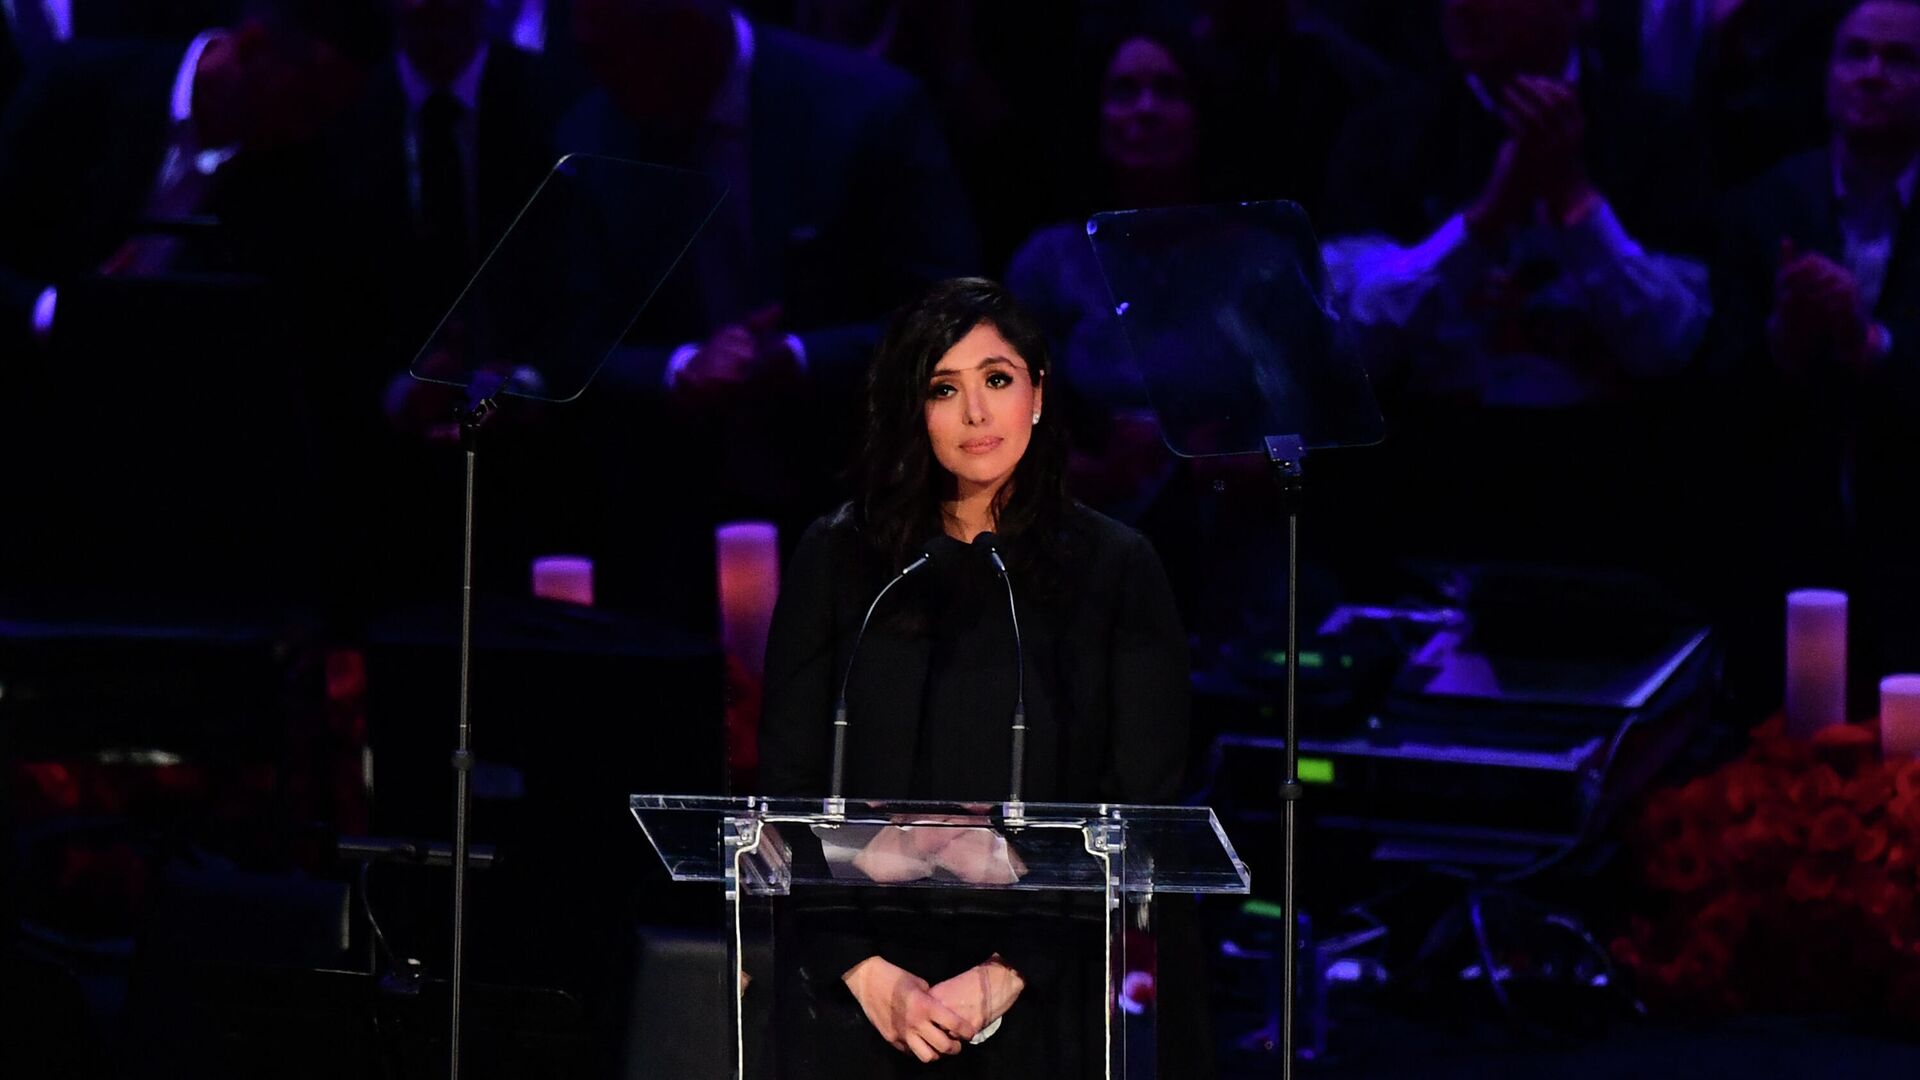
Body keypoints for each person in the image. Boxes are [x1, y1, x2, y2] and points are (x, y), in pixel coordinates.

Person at [756, 277, 1199, 1077]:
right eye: (943, 388)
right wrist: (865, 971)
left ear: (1038, 393)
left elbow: (1143, 805)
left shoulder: (1114, 569)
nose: (975, 414)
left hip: (1043, 995)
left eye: (997, 379)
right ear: (910, 410)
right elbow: (788, 786)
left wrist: (1006, 975)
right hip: (855, 993)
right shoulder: (842, 557)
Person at [1707, 0, 1920, 711]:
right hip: (1781, 564)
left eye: (1900, 59)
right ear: (1825, 73)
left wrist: (1872, 346)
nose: (1872, 74)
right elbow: (1702, 403)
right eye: (1854, 53)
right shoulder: (1757, 208)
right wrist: (1783, 347)